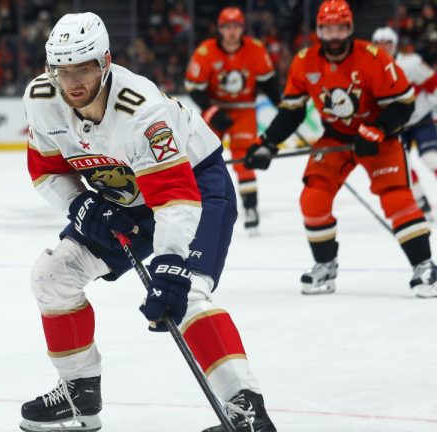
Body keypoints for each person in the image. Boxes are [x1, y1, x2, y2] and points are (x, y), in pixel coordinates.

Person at [21, 12, 276, 432]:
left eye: (83, 68)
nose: (72, 82)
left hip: (193, 185)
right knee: (52, 275)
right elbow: (46, 170)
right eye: (62, 71)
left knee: (187, 291)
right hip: (124, 196)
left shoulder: (142, 110)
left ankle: (247, 413)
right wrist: (81, 205)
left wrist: (172, 263)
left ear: (105, 62)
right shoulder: (43, 99)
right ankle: (79, 397)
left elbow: (175, 198)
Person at [244, 0, 437, 299]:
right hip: (336, 137)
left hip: (380, 137)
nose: (334, 35)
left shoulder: (374, 58)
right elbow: (292, 111)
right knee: (313, 198)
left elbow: (404, 104)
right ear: (319, 30)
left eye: (340, 28)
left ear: (350, 28)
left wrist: (375, 129)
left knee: (397, 199)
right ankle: (325, 265)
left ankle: (425, 267)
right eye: (328, 29)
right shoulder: (304, 61)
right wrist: (267, 143)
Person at [185, 7, 282, 235]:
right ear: (220, 29)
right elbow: (194, 88)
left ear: (242, 29)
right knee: (202, 158)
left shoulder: (255, 49)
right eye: (227, 27)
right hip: (215, 108)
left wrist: (285, 108)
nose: (231, 32)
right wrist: (212, 110)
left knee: (244, 160)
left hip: (244, 110)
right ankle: (198, 207)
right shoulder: (206, 51)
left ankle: (250, 208)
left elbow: (269, 82)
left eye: (236, 26)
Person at [372, 27, 437, 217]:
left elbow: (436, 83)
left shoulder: (411, 64)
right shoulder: (368, 70)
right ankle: (419, 198)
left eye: (387, 44)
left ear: (395, 45)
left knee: (431, 158)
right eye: (378, 44)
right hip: (396, 126)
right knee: (402, 165)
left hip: (421, 119)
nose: (383, 48)